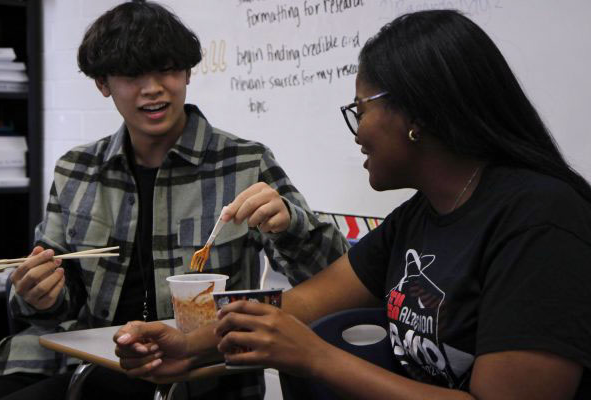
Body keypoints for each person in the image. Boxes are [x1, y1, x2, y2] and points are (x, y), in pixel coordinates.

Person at [113, 9, 591, 399]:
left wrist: (317, 357)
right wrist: (187, 347)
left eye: (360, 109)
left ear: (417, 115)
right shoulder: (420, 217)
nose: (358, 132)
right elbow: (301, 305)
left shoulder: (541, 221)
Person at [0, 2, 347, 400]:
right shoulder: (77, 170)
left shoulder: (245, 163)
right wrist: (41, 292)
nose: (153, 88)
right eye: (131, 75)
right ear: (103, 84)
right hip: (90, 364)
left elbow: (335, 279)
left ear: (188, 72)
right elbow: (55, 303)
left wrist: (290, 225)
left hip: (196, 375)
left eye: (166, 69)